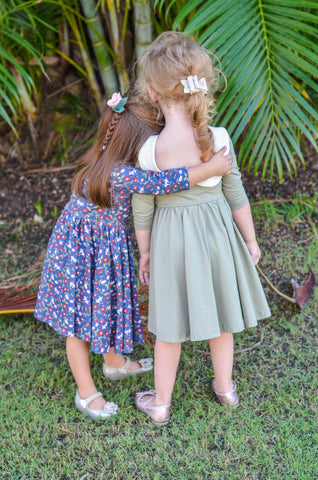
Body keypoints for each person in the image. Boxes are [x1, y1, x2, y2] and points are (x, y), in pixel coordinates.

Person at [34, 89, 232, 421]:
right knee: (77, 326)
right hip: (88, 255)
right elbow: (167, 181)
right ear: (137, 142)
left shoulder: (98, 156)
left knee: (104, 306)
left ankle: (113, 364)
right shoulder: (122, 172)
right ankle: (86, 393)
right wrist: (212, 167)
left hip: (88, 248)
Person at [132, 32, 271, 425]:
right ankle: (225, 389)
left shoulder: (149, 151)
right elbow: (236, 195)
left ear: (151, 91)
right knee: (222, 316)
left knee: (168, 325)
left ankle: (160, 402)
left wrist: (144, 251)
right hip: (216, 238)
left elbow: (142, 208)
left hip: (170, 242)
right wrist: (250, 239)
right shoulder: (220, 139)